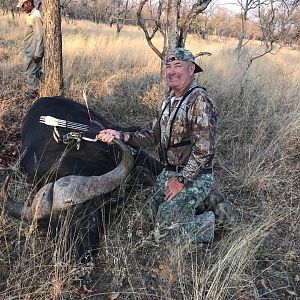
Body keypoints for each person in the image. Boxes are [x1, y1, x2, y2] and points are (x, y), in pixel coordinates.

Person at [98, 48, 232, 244]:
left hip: (194, 175)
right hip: (170, 172)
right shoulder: (168, 102)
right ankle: (201, 202)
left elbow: (205, 152)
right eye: (168, 67)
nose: (172, 71)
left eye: (178, 66)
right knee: (144, 219)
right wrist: (120, 135)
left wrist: (180, 180)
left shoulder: (200, 100)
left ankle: (212, 221)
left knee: (164, 233)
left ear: (191, 68)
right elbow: (152, 135)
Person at [17, 0, 44, 99]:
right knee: (35, 73)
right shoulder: (31, 15)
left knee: (30, 73)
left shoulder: (36, 16)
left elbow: (40, 36)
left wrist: (38, 53)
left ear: (28, 3)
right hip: (29, 49)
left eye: (23, 5)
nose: (22, 8)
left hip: (33, 52)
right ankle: (39, 92)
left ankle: (35, 94)